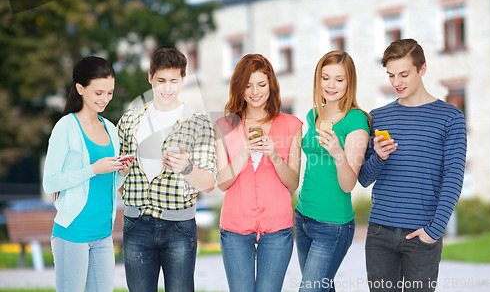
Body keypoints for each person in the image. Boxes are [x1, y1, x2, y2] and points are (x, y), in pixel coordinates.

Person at [358, 38, 467, 292]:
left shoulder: (450, 117)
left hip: (422, 234)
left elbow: (453, 178)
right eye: (391, 75)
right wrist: (379, 158)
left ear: (423, 69)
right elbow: (364, 178)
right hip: (379, 234)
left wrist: (434, 230)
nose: (397, 82)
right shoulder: (378, 117)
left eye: (404, 74)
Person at [117, 47, 217, 292]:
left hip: (178, 228)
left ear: (183, 79)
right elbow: (117, 174)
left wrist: (187, 167)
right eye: (161, 80)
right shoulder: (129, 120)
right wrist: (122, 176)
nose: (167, 88)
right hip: (136, 225)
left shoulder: (198, 123)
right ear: (150, 77)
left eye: (174, 81)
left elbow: (209, 183)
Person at [43, 56, 132, 292]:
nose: (105, 99)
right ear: (81, 89)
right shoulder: (66, 127)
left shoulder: (111, 129)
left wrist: (122, 172)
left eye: (110, 93)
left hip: (103, 233)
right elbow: (50, 182)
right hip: (73, 232)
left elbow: (109, 183)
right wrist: (93, 169)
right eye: (99, 93)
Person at [215, 54, 303, 292]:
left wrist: (274, 156)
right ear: (239, 88)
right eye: (248, 85)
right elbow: (221, 183)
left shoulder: (291, 125)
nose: (255, 91)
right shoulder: (224, 126)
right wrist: (243, 153)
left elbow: (293, 182)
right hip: (234, 228)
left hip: (277, 229)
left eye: (261, 84)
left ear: (271, 86)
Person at [295, 50, 371, 292]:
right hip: (303, 216)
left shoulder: (356, 120)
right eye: (325, 77)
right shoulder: (313, 114)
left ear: (350, 82)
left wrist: (337, 152)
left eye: (339, 79)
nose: (331, 85)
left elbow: (349, 184)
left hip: (333, 225)